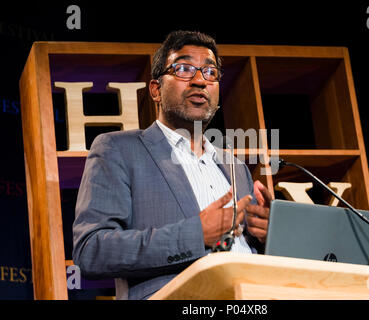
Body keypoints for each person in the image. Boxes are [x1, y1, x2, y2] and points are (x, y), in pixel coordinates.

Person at [72, 30, 273, 300]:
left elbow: (248, 253)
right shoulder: (118, 149)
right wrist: (196, 235)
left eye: (210, 72)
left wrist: (266, 235)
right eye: (184, 69)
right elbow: (91, 250)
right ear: (155, 89)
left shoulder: (235, 166)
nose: (200, 80)